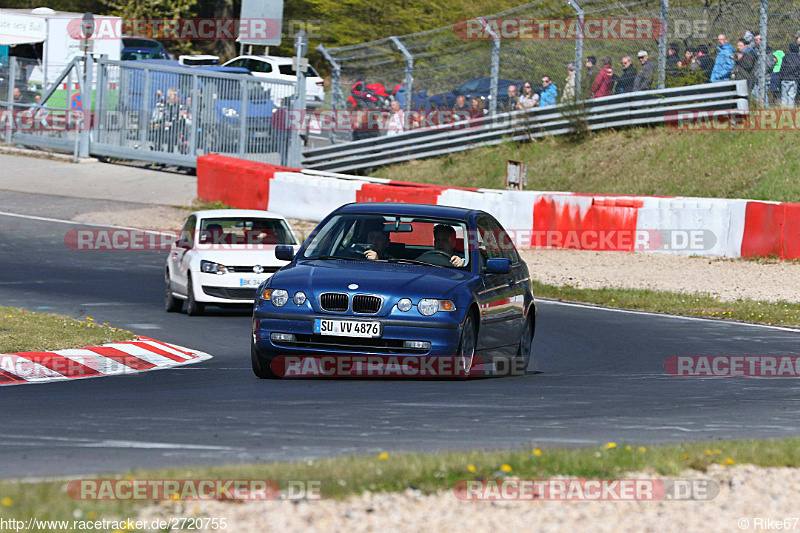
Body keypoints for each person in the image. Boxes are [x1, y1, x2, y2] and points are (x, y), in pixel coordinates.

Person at [780, 35, 800, 108]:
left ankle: (783, 111)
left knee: (784, 97)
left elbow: (782, 67)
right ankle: (791, 111)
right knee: (791, 97)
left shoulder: (786, 56)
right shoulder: (798, 57)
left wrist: (781, 77)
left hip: (785, 79)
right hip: (794, 79)